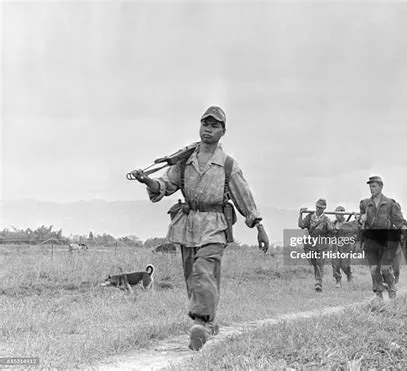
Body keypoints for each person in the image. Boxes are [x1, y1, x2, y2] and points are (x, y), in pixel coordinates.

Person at [131, 106, 269, 351]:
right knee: (192, 276)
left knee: (203, 271)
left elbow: (243, 197)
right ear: (200, 126)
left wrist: (258, 226)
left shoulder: (228, 165)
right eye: (205, 124)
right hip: (188, 225)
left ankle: (200, 323)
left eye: (215, 125)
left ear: (223, 132)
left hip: (215, 225)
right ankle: (210, 321)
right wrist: (147, 180)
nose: (209, 129)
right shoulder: (185, 161)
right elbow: (166, 185)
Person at [358, 176, 407, 300]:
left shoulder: (390, 204)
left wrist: (404, 235)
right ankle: (379, 296)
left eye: (374, 186)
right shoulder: (365, 204)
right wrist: (360, 220)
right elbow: (361, 222)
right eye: (370, 186)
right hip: (370, 242)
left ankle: (391, 287)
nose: (371, 189)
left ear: (381, 187)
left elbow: (400, 222)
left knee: (385, 268)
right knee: (374, 269)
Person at [298, 198, 333, 292]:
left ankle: (318, 283)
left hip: (322, 244)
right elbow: (301, 225)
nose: (318, 209)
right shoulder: (310, 217)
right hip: (311, 244)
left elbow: (332, 231)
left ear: (324, 209)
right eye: (317, 207)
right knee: (314, 262)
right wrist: (301, 214)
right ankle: (317, 280)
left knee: (320, 262)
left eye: (320, 208)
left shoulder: (326, 220)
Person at [331, 206, 355, 287]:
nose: (337, 215)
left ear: (343, 214)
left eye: (339, 214)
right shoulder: (333, 223)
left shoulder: (348, 223)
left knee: (345, 265)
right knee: (335, 264)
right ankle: (338, 280)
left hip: (345, 246)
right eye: (336, 213)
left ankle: (349, 274)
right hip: (335, 245)